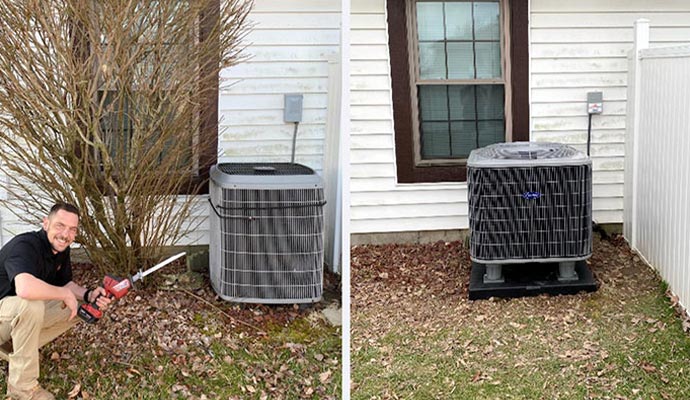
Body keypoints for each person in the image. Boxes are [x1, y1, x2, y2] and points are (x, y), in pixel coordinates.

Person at [0, 202, 112, 400]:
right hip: (4, 312)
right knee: (30, 305)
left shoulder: (61, 249)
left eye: (72, 229)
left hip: (9, 319)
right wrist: (63, 294)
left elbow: (66, 285)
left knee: (81, 309)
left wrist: (89, 295)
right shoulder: (25, 246)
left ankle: (15, 350)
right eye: (60, 225)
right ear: (45, 224)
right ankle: (22, 389)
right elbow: (25, 288)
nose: (65, 234)